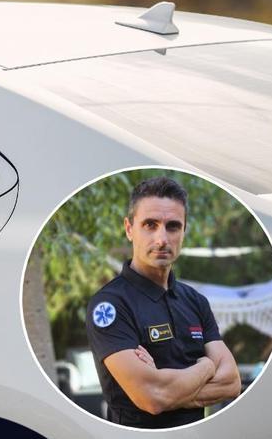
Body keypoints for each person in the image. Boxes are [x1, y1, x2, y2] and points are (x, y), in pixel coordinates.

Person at [85, 176, 241, 429]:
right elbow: (153, 398)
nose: (162, 239)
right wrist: (206, 366)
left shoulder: (195, 301)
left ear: (184, 231)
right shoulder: (110, 305)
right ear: (129, 229)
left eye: (172, 226)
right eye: (150, 224)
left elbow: (231, 383)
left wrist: (168, 387)